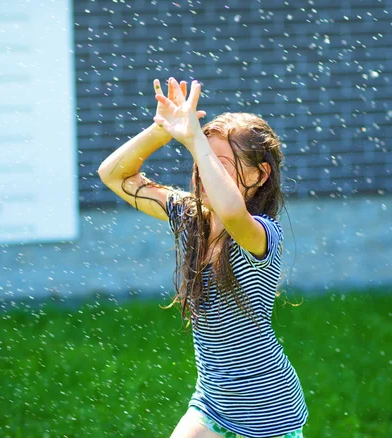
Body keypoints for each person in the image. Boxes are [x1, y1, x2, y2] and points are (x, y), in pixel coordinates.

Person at [98, 77, 308, 438]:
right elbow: (113, 175)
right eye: (200, 158)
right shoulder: (191, 217)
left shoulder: (260, 234)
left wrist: (196, 139)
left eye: (217, 162)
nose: (202, 169)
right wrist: (161, 130)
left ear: (260, 175)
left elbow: (232, 212)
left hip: (269, 415)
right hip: (211, 404)